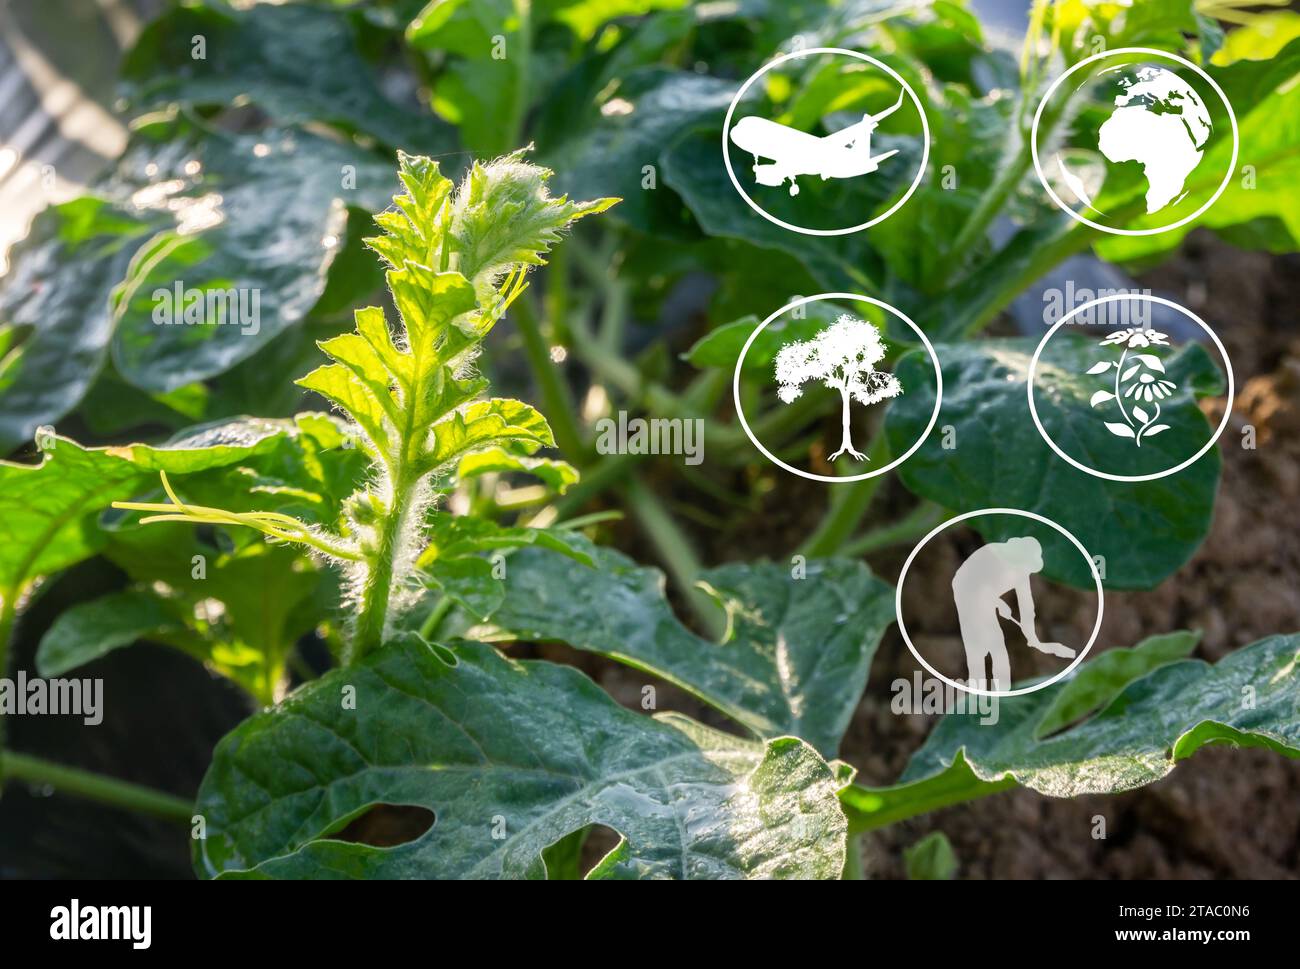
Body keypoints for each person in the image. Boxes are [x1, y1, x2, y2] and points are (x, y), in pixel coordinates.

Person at [951, 536, 1075, 692]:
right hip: (967, 586)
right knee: (982, 644)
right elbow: (978, 588)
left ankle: (1002, 693)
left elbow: (1026, 606)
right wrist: (997, 603)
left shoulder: (1022, 571)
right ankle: (978, 691)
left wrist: (1033, 639)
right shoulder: (994, 558)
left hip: (985, 591)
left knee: (998, 647)